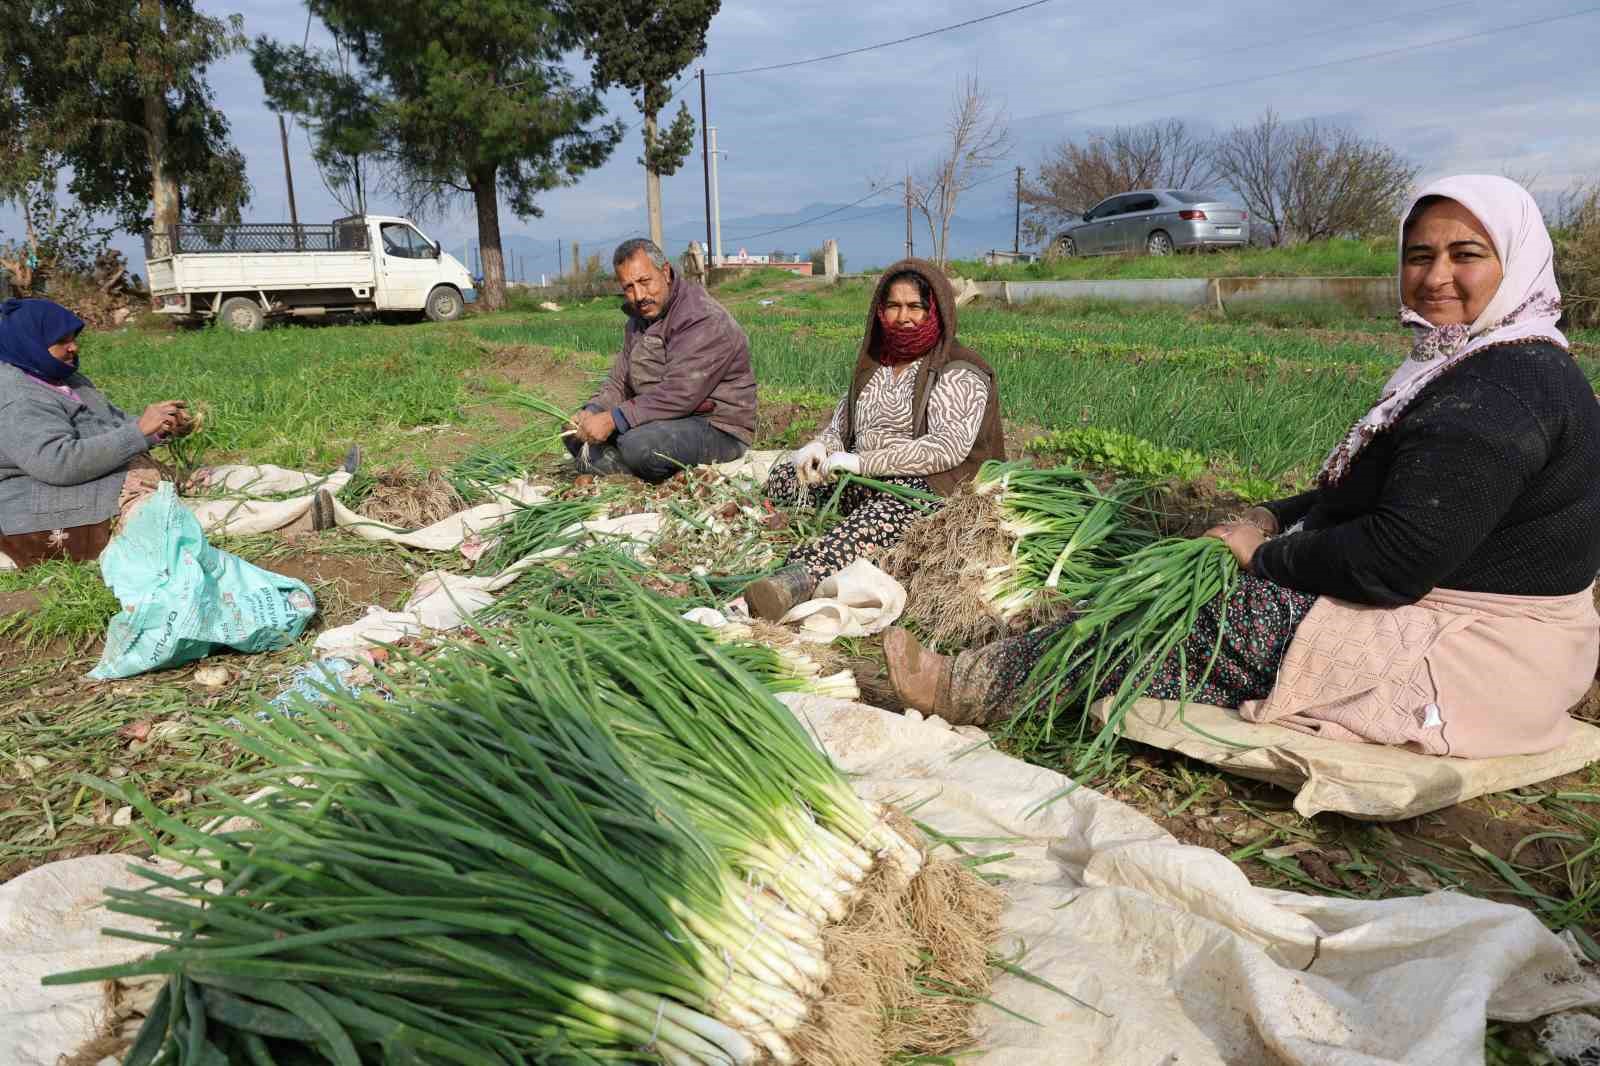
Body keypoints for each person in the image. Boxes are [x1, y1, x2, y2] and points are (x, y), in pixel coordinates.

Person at [885, 176, 1600, 760]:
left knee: (1204, 614)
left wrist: (1264, 555)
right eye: (1419, 256)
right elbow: (1368, 494)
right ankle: (1031, 655)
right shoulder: (1469, 365)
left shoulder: (1505, 390)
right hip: (1453, 610)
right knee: (1191, 567)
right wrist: (1271, 517)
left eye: (1465, 255)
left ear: (1516, 263)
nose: (1436, 276)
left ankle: (978, 686)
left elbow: (1396, 558)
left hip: (1479, 654)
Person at [742, 258, 1005, 622]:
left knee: (882, 515)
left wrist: (864, 462)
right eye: (893, 306)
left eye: (915, 307)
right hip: (864, 479)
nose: (903, 317)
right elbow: (841, 426)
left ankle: (797, 579)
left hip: (928, 489)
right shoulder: (875, 365)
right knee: (787, 476)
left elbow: (947, 447)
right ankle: (854, 520)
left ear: (937, 311)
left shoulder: (959, 370)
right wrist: (822, 447)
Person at [0, 298, 195, 569]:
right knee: (171, 521)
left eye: (73, 338)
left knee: (179, 494)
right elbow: (57, 463)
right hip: (39, 505)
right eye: (62, 341)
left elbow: (113, 425)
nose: (74, 347)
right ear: (30, 343)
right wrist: (139, 431)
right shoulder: (18, 397)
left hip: (93, 481)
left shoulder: (66, 377)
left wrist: (160, 428)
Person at [566, 238, 755, 483]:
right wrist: (592, 411)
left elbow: (680, 393)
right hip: (661, 421)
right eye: (629, 287)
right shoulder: (638, 320)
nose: (639, 295)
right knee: (573, 434)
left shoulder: (700, 316)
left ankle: (621, 469)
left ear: (665, 272)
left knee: (638, 446)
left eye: (645, 281)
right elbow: (619, 381)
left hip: (716, 427)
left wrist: (614, 419)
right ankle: (624, 468)